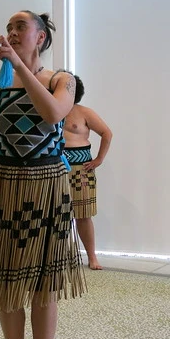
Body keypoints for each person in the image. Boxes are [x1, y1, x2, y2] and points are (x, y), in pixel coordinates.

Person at [0, 6, 86, 339]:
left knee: (44, 284)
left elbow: (53, 114)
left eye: (20, 27)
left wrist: (18, 64)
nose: (12, 32)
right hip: (0, 184)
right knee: (7, 282)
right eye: (8, 27)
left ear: (40, 36)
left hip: (46, 185)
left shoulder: (62, 80)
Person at [63, 72, 112, 271]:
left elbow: (106, 133)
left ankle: (92, 257)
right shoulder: (49, 111)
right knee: (56, 215)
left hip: (81, 168)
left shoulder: (84, 112)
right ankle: (62, 255)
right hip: (55, 166)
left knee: (83, 215)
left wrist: (99, 159)